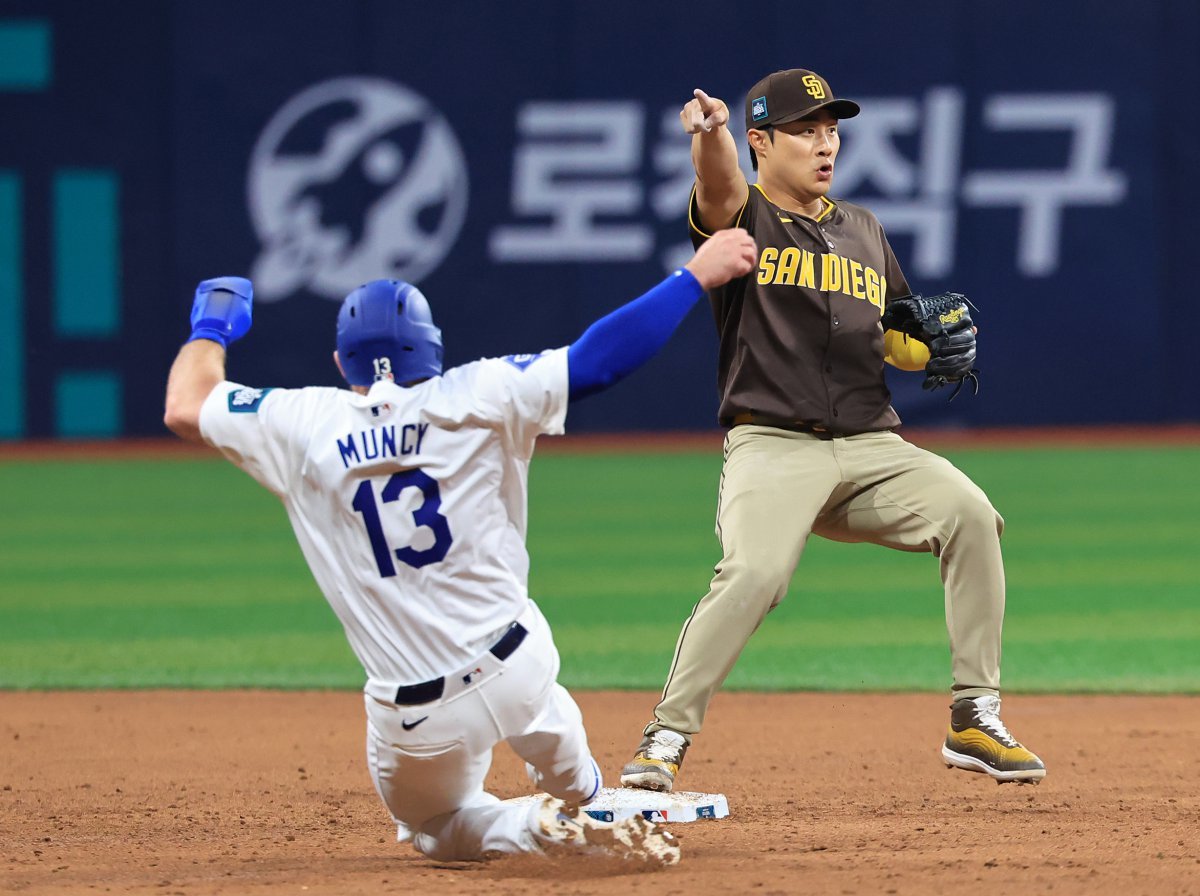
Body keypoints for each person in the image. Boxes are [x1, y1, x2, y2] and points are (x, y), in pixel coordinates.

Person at [162, 228, 757, 864]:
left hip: (418, 718)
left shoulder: (301, 424)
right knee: (542, 708)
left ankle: (529, 827)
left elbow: (185, 405)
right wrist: (693, 275)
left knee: (437, 828)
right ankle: (581, 793)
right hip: (520, 667)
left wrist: (213, 325)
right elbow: (597, 361)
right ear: (433, 350)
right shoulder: (482, 391)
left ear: (342, 365)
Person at [619, 69, 1045, 793]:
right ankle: (665, 736)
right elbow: (719, 187)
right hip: (774, 445)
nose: (826, 144)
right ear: (761, 141)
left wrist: (924, 345)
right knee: (754, 575)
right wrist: (712, 136)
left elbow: (900, 333)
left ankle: (974, 715)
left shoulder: (864, 231)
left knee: (972, 515)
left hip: (872, 446)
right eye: (806, 130)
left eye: (832, 129)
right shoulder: (744, 216)